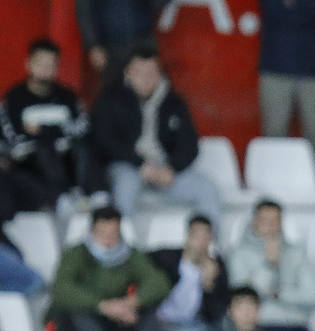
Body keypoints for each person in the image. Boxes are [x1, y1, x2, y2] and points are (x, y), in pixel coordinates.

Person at [90, 46, 221, 226]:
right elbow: (104, 141)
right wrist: (140, 165)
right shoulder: (110, 99)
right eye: (139, 73)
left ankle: (210, 250)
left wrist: (171, 168)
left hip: (164, 170)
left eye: (151, 72)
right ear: (128, 73)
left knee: (207, 189)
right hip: (129, 167)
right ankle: (126, 250)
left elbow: (190, 145)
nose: (146, 79)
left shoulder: (174, 102)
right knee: (125, 187)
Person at [48, 205, 171, 331]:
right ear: (91, 231)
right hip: (77, 329)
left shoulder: (130, 255)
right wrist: (103, 306)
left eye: (112, 235)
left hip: (116, 322)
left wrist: (131, 303)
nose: (107, 240)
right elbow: (61, 289)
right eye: (101, 234)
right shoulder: (75, 254)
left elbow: (158, 282)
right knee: (78, 310)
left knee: (151, 303)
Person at [228, 198, 315, 331]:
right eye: (264, 221)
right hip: (260, 327)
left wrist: (278, 294)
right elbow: (243, 297)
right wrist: (269, 265)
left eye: (275, 221)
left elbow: (313, 295)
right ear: (254, 222)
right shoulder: (238, 254)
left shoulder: (296, 252)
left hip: (295, 328)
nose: (270, 227)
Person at [2, 38, 91, 210]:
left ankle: (96, 197)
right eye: (40, 63)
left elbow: (82, 128)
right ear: (28, 64)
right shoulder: (14, 97)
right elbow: (13, 136)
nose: (45, 69)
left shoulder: (67, 96)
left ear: (57, 67)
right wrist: (57, 131)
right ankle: (62, 197)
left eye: (51, 65)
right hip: (29, 160)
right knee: (43, 148)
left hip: (66, 156)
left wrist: (42, 129)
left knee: (83, 149)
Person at [258, 0, 315, 159]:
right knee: (274, 131)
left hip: (314, 70)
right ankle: (272, 175)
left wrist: (294, 6)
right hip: (275, 68)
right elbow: (272, 9)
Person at [148, 213, 231, 331]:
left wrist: (209, 285)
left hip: (196, 324)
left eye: (206, 237)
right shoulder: (165, 258)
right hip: (162, 323)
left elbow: (216, 313)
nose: (201, 243)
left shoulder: (216, 267)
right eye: (196, 236)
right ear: (187, 236)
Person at [75, 0, 168, 80]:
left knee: (150, 88)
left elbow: (157, 4)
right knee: (114, 92)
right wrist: (93, 45)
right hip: (110, 47)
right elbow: (84, 10)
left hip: (143, 40)